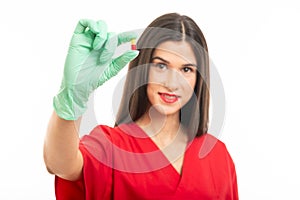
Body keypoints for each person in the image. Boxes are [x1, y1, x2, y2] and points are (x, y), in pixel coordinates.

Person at [43, 13, 238, 199]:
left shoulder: (217, 155)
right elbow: (61, 164)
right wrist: (73, 96)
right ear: (142, 68)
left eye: (186, 69)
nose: (172, 83)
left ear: (198, 78)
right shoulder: (111, 147)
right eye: (161, 66)